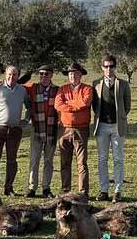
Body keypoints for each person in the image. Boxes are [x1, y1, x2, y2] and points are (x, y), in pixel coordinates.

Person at [0, 65, 30, 195]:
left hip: (15, 129)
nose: (11, 77)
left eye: (14, 74)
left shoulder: (22, 91)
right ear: (5, 74)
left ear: (18, 75)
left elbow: (29, 107)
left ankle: (9, 188)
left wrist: (25, 121)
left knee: (12, 160)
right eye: (9, 74)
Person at [92, 54, 131, 202]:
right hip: (101, 126)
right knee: (102, 158)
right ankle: (103, 190)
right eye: (106, 66)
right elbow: (94, 105)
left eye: (111, 66)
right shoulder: (96, 84)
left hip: (117, 126)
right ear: (102, 67)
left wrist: (119, 118)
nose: (109, 69)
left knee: (118, 158)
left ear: (115, 67)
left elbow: (127, 106)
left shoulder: (123, 84)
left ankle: (118, 190)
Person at [54, 62, 94, 196]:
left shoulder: (87, 89)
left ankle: (83, 192)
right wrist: (74, 106)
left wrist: (69, 105)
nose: (73, 76)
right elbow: (58, 105)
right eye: (70, 74)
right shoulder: (62, 89)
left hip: (81, 129)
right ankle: (66, 190)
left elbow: (85, 103)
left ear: (80, 75)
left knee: (81, 162)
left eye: (76, 73)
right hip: (64, 129)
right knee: (64, 161)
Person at [24, 65, 59, 198]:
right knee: (34, 159)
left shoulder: (57, 90)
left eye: (47, 74)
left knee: (48, 160)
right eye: (41, 74)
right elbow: (16, 84)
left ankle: (46, 187)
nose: (44, 77)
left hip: (51, 128)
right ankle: (32, 187)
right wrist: (0, 82)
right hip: (37, 128)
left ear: (51, 76)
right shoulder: (32, 88)